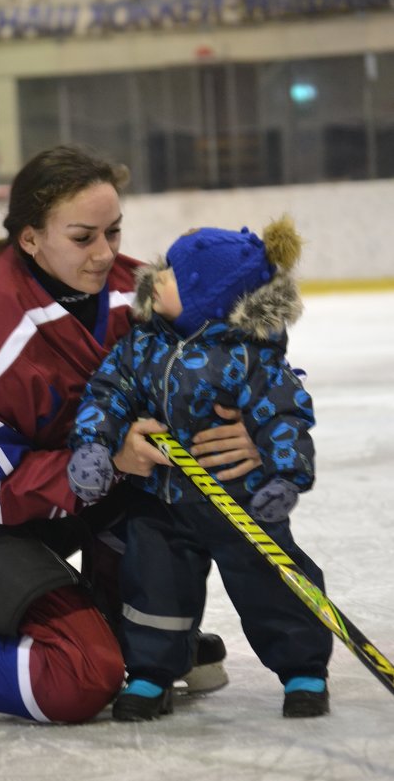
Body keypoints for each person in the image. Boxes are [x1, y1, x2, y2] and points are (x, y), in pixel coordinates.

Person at [0, 144, 259, 723]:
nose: (105, 254)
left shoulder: (131, 290)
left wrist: (245, 422)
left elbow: (220, 367)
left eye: (112, 232)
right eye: (82, 237)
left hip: (69, 500)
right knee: (82, 677)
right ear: (30, 238)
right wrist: (112, 463)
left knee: (170, 500)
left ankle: (135, 635)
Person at [68, 216, 334, 722]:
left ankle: (304, 668)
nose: (155, 277)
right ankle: (150, 673)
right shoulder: (143, 345)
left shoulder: (251, 359)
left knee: (271, 585)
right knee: (153, 586)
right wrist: (93, 447)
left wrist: (285, 475)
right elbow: (106, 395)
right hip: (162, 502)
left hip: (242, 502)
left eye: (172, 274)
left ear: (208, 294)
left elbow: (284, 415)